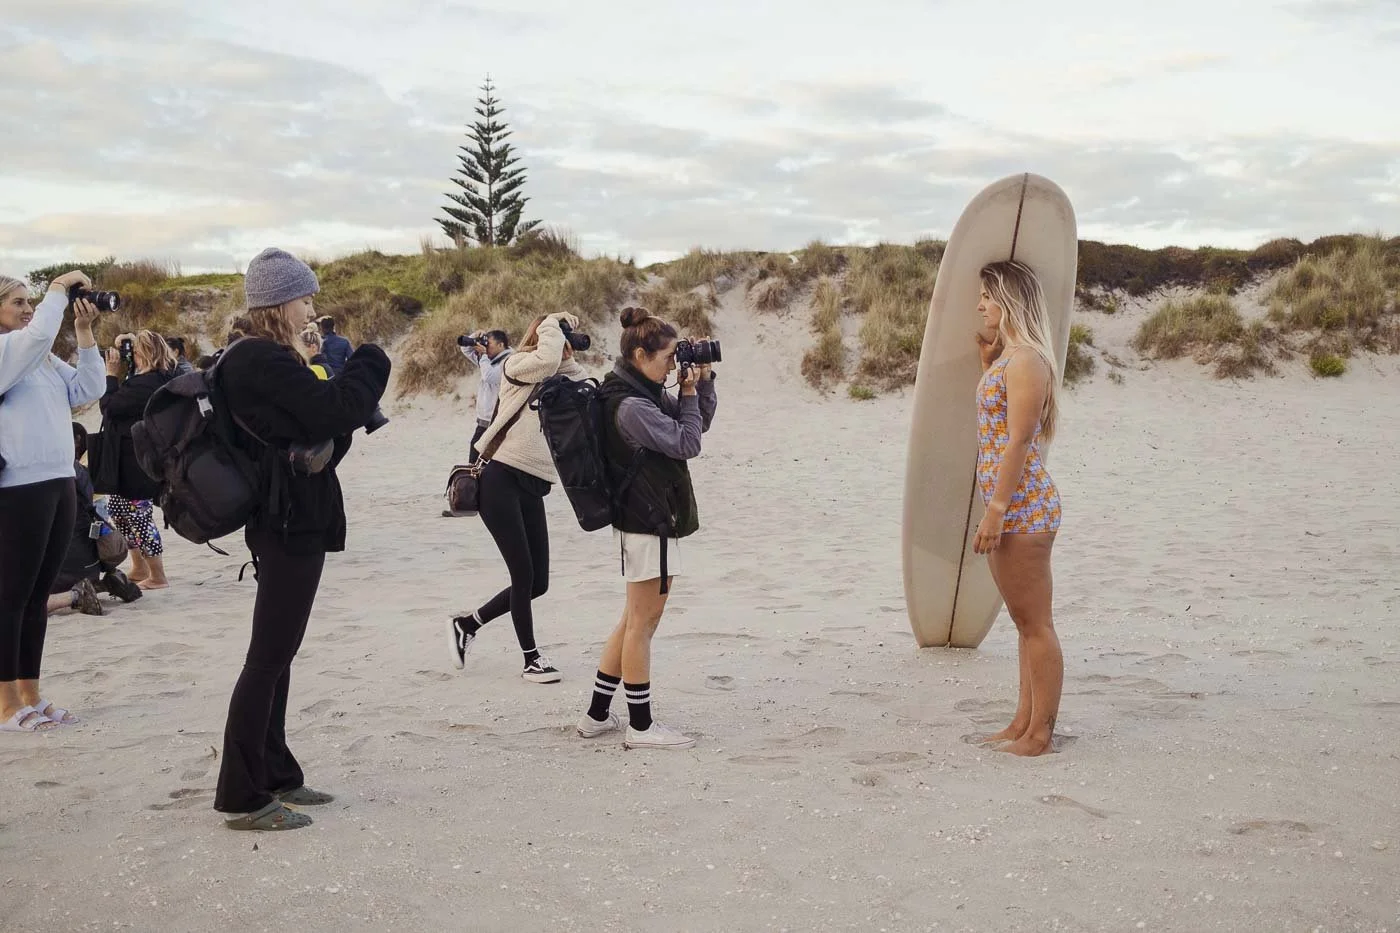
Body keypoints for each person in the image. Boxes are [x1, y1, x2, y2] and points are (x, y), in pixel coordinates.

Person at [212, 247, 390, 831]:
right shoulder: (261, 360)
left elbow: (320, 423)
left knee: (278, 652)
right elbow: (337, 409)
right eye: (306, 297)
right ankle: (242, 795)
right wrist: (371, 359)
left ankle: (277, 772)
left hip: (286, 517)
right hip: (286, 520)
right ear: (282, 301)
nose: (312, 308)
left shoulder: (262, 358)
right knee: (267, 656)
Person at [575, 307, 718, 750]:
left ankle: (597, 716)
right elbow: (686, 443)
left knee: (631, 618)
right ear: (641, 353)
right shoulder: (632, 404)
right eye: (669, 356)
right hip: (647, 519)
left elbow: (696, 425)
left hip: (643, 517)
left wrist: (702, 386)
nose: (674, 364)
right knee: (643, 622)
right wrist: (689, 396)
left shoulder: (641, 390)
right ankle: (641, 726)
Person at [447, 313, 585, 683]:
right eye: (557, 336)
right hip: (499, 480)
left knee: (539, 583)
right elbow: (545, 359)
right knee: (523, 574)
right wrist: (552, 322)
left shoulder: (557, 374)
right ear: (542, 335)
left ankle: (466, 624)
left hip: (532, 485)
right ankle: (531, 660)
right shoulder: (516, 364)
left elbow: (583, 384)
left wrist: (567, 349)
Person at [0, 270, 106, 732]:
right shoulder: (8, 352)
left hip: (59, 479)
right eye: (17, 302)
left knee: (37, 594)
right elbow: (40, 330)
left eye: (30, 301)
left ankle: (31, 694)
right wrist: (58, 289)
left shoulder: (38, 355)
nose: (27, 309)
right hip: (17, 485)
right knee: (10, 596)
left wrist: (84, 337)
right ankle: (5, 705)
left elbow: (88, 391)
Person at [970, 259, 1064, 758]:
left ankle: (1041, 735)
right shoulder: (1012, 359)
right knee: (1023, 622)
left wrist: (997, 508)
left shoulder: (1027, 360)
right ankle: (1022, 723)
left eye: (987, 295)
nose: (980, 304)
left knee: (1036, 624)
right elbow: (999, 419)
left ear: (1008, 299)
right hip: (1012, 508)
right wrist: (988, 367)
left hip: (1023, 509)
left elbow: (1019, 440)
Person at [98, 330, 177, 590]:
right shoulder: (145, 378)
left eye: (136, 349)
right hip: (126, 458)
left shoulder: (148, 382)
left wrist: (111, 374)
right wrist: (123, 350)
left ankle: (158, 574)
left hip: (135, 460)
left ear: (146, 353)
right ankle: (139, 567)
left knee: (138, 515)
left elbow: (110, 407)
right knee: (120, 513)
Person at [47, 422, 143, 614]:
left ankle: (76, 595)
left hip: (58, 573)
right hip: (91, 564)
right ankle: (105, 583)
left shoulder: (38, 477)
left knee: (20, 603)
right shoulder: (79, 471)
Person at [459, 329, 512, 464]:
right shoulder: (489, 359)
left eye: (489, 344)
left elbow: (490, 377)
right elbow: (465, 350)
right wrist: (474, 337)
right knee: (475, 453)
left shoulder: (509, 361)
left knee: (487, 456)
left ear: (501, 345)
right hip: (484, 419)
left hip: (496, 419)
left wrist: (483, 355)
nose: (486, 346)